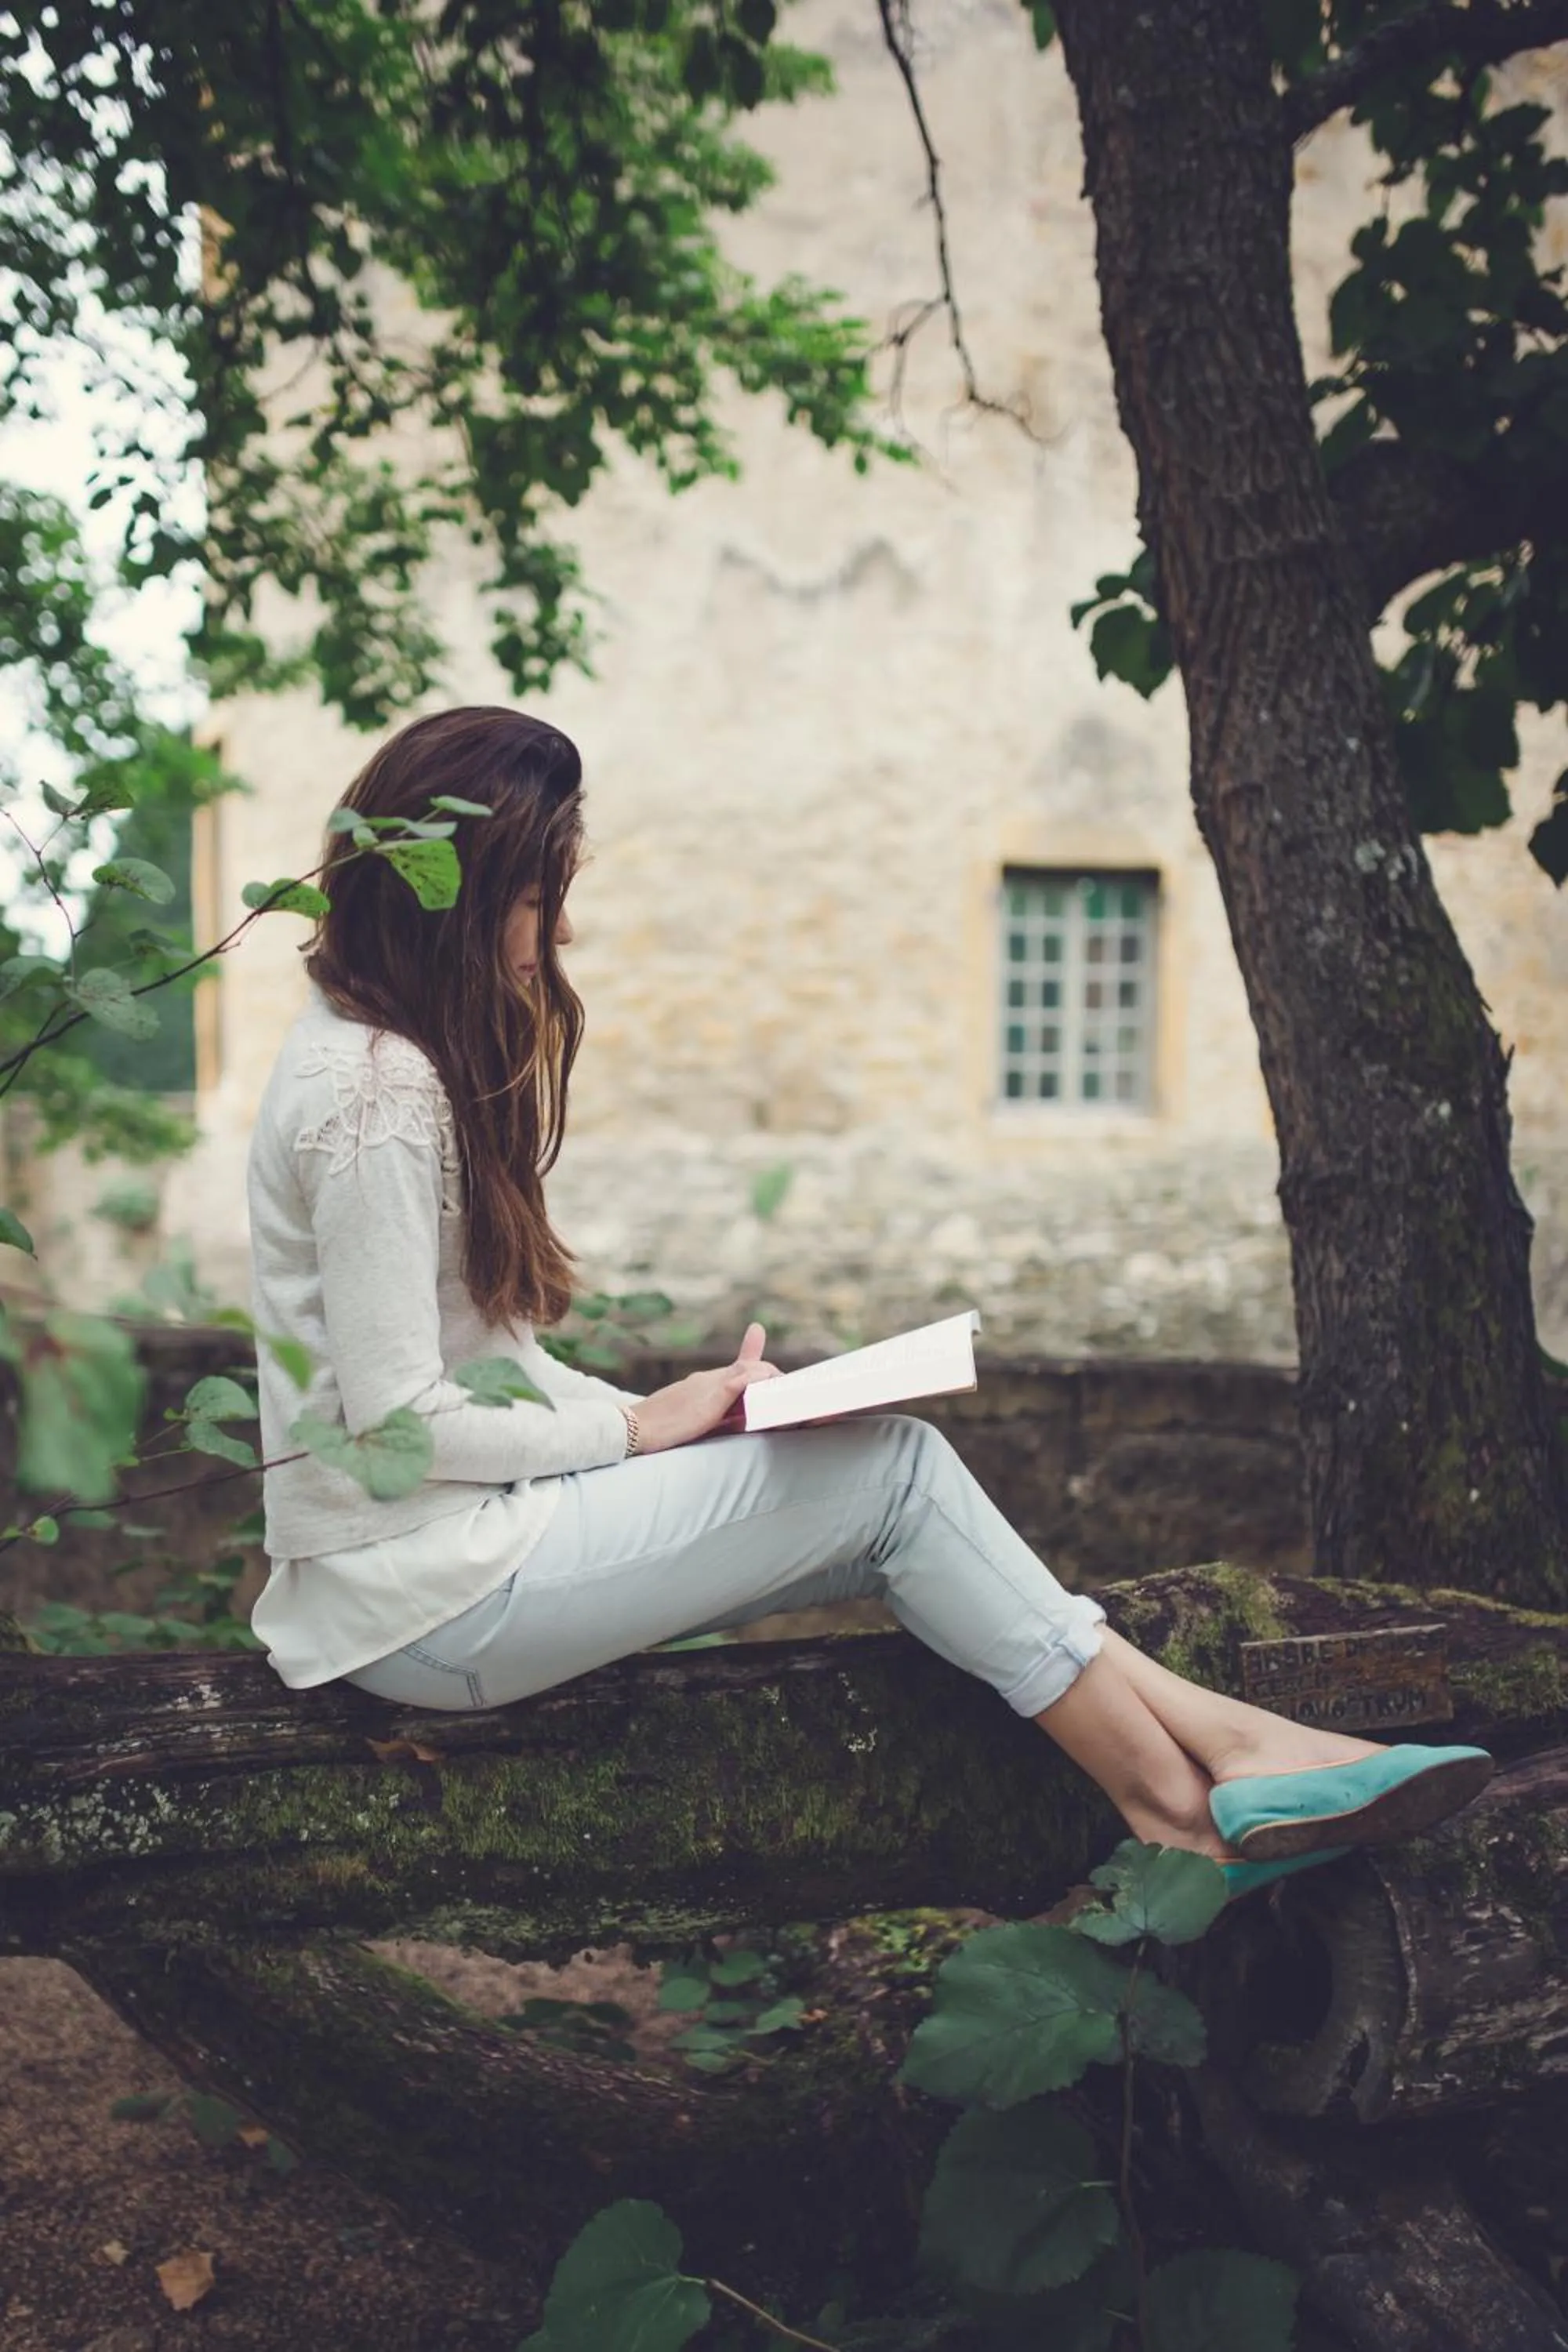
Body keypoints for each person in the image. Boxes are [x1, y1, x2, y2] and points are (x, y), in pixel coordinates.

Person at [245, 706, 1493, 1899]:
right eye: (534, 898)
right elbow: (394, 1431)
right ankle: (1186, 1805)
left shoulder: (375, 1057)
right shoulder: (375, 1092)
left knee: (883, 1487)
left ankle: (1235, 1754)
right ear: (452, 899)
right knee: (891, 1476)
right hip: (417, 1604)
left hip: (433, 1577)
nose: (553, 936)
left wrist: (693, 1411)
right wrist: (639, 1433)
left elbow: (492, 1361)